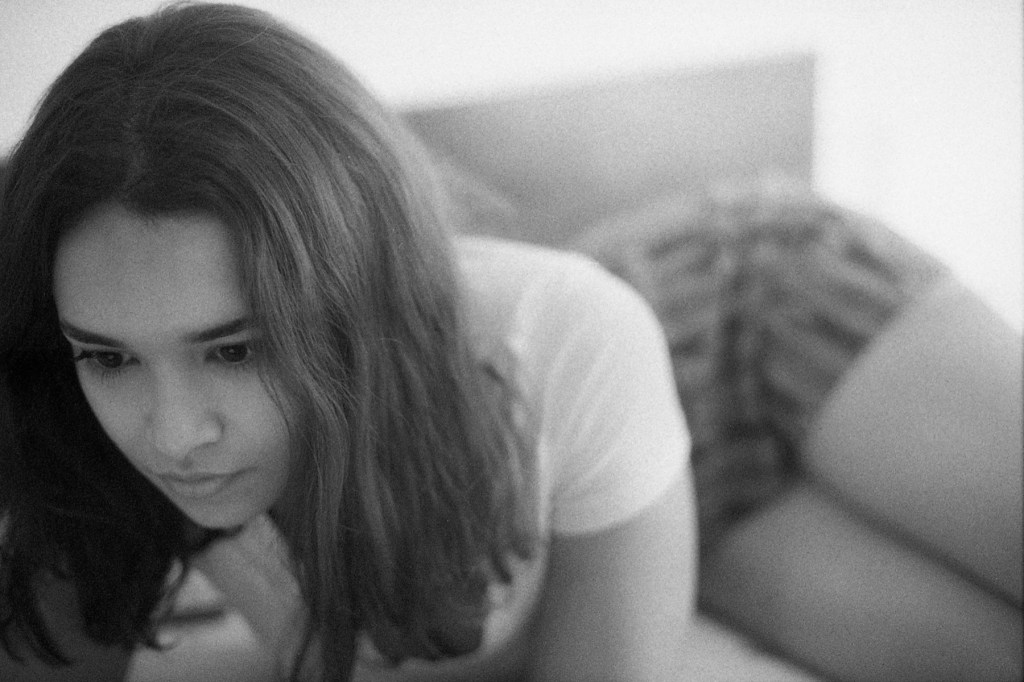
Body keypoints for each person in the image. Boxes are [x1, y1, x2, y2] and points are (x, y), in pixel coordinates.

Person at [0, 3, 696, 681]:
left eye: (236, 350)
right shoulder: (64, 402)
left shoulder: (571, 338)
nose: (175, 437)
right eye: (109, 358)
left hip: (706, 340)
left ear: (359, 294)